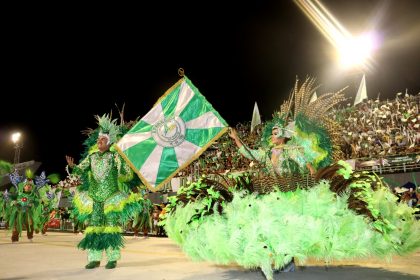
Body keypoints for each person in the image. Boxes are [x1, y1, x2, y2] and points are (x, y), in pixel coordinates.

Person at [66, 114, 142, 269]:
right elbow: (80, 170)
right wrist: (73, 166)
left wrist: (125, 173)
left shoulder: (115, 156)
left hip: (111, 198)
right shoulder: (92, 156)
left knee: (111, 228)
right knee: (94, 228)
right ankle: (94, 258)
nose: (98, 141)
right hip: (94, 197)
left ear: (109, 142)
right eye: (98, 139)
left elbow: (127, 174)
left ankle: (112, 258)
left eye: (102, 140)